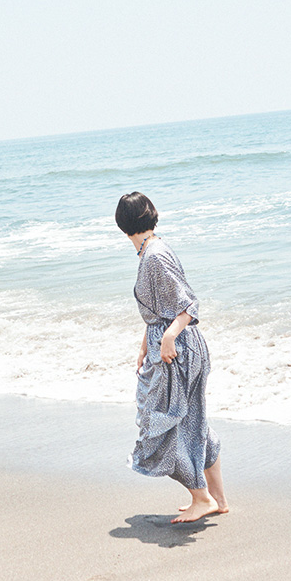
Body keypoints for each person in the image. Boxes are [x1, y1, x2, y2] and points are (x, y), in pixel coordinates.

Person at [115, 191, 228, 523]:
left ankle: (200, 497)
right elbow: (159, 310)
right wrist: (144, 346)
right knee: (195, 423)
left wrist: (166, 338)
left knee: (165, 425)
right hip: (178, 348)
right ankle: (216, 499)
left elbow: (188, 305)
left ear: (123, 226)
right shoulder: (153, 251)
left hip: (178, 351)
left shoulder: (154, 256)